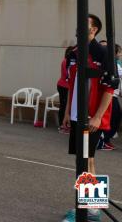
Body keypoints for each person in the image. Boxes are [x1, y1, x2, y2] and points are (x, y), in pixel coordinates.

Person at [62, 14, 116, 222]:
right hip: (76, 115)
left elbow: (110, 88)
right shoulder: (74, 53)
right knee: (80, 160)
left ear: (94, 30)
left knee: (89, 159)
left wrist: (98, 117)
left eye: (84, 25)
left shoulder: (102, 53)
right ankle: (83, 206)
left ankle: (92, 210)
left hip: (92, 117)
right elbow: (71, 85)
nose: (78, 28)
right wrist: (67, 112)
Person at [98, 43, 122, 150]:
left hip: (114, 95)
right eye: (120, 52)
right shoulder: (113, 64)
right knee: (111, 119)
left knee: (115, 118)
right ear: (115, 53)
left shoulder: (117, 64)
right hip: (110, 96)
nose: (121, 54)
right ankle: (103, 140)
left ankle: (106, 139)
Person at [56, 46, 75, 133]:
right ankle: (62, 126)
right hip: (64, 86)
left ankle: (66, 125)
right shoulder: (67, 61)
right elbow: (68, 75)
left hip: (66, 86)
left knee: (66, 106)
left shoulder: (68, 60)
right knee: (64, 105)